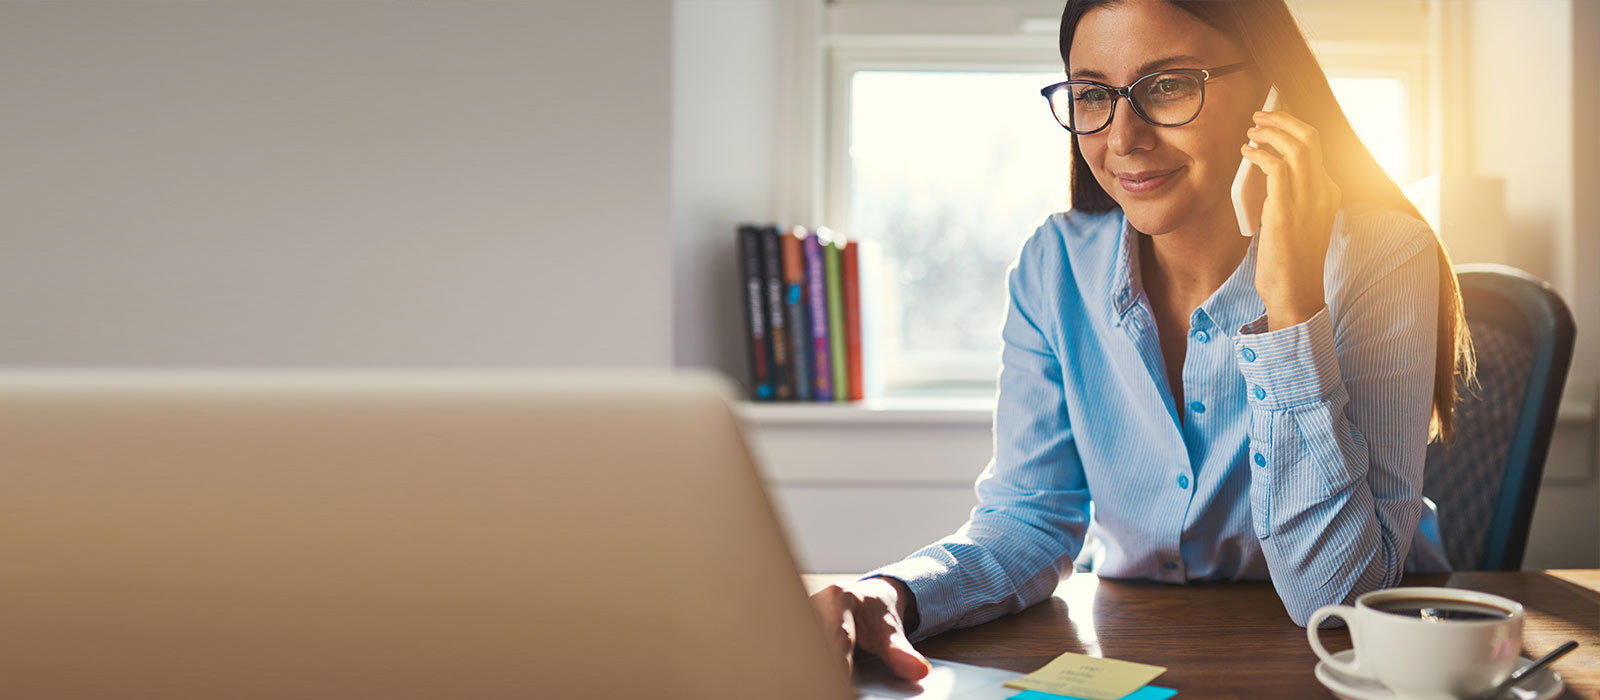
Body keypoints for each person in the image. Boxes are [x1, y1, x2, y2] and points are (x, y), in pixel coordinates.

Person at [809, 0, 1476, 683]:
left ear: (1271, 93)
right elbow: (1028, 521)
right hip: (1126, 658)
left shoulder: (1382, 257)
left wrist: (1292, 308)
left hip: (1358, 670)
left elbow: (1336, 601)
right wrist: (894, 593)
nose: (1123, 138)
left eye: (1168, 86)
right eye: (1093, 95)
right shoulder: (1055, 265)